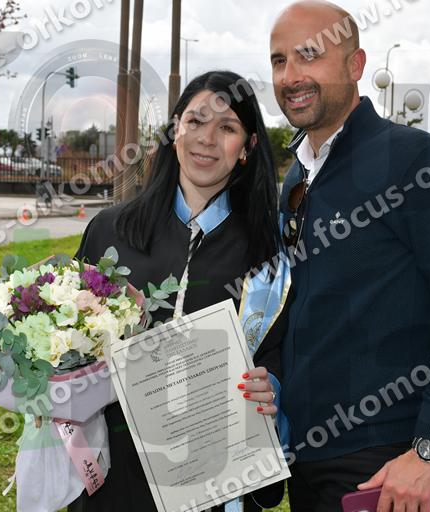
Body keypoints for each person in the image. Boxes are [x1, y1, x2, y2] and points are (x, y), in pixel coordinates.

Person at [269, 1, 430, 511]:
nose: (290, 76)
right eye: (279, 60)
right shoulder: (296, 177)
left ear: (355, 65)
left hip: (378, 461)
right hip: (303, 459)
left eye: (309, 55)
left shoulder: (414, 160)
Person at [69, 70, 285, 512]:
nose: (206, 139)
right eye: (195, 121)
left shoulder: (266, 257)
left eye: (227, 128)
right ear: (174, 131)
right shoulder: (110, 232)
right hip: (114, 477)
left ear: (247, 147)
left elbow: (278, 357)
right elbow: (71, 347)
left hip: (213, 480)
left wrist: (272, 392)